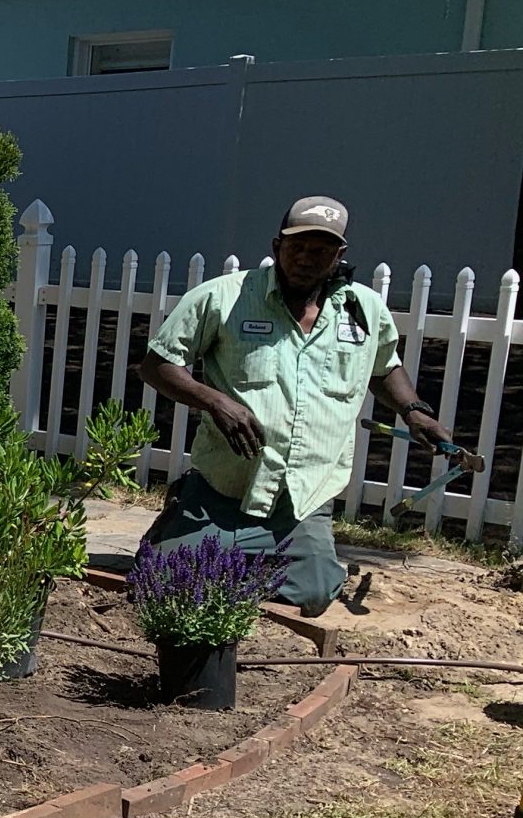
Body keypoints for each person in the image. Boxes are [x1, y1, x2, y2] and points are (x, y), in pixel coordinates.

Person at [135, 194, 456, 615]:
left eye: (320, 250)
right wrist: (214, 401)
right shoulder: (223, 298)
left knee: (315, 593)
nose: (306, 258)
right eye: (297, 247)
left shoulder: (364, 311)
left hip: (302, 500)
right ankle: (199, 536)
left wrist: (414, 411)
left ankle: (233, 564)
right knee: (157, 579)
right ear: (276, 248)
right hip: (224, 488)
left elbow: (383, 368)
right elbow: (156, 366)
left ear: (338, 255)